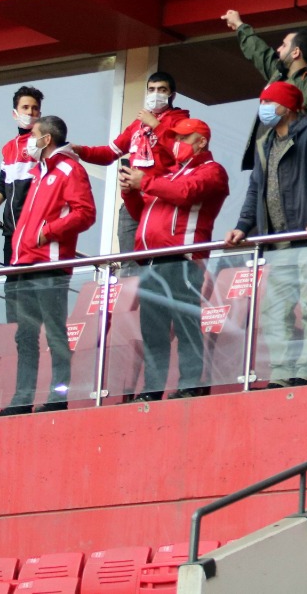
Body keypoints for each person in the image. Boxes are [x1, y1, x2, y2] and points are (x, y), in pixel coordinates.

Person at [227, 82, 307, 389]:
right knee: (274, 312)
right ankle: (281, 373)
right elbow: (255, 189)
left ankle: (306, 371)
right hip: (278, 243)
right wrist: (243, 225)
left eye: (268, 102)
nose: (263, 108)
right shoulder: (264, 142)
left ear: (287, 107)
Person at [0, 115, 96, 416]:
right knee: (25, 335)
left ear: (47, 139)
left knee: (54, 333)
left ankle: (58, 395)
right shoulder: (39, 171)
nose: (28, 141)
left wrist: (47, 232)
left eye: (33, 135)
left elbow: (85, 213)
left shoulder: (70, 169)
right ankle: (21, 399)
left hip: (49, 265)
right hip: (24, 264)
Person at [127, 117, 229, 402]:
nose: (177, 144)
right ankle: (152, 390)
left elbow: (186, 194)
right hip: (151, 261)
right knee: (153, 331)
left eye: (184, 138)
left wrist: (146, 181)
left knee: (186, 324)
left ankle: (190, 385)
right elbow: (141, 214)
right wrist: (129, 192)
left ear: (202, 142)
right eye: (176, 139)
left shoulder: (212, 171)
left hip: (182, 259)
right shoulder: (168, 174)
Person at [73, 72, 190, 247]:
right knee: (129, 260)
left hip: (161, 199)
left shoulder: (180, 121)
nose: (155, 94)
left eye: (162, 90)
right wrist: (80, 151)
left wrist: (155, 125)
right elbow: (109, 153)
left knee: (157, 256)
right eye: (151, 90)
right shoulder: (137, 124)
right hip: (133, 199)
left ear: (172, 95)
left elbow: (183, 152)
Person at [222, 11, 307, 170]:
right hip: (270, 166)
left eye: (284, 45)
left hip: (297, 168)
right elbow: (260, 53)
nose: (278, 49)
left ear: (296, 52)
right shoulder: (280, 74)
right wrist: (240, 26)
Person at [0, 86, 44, 265]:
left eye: (35, 108)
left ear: (40, 114)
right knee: (11, 279)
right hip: (11, 229)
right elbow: (2, 185)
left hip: (36, 228)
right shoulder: (8, 148)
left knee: (31, 278)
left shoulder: (43, 144)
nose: (30, 112)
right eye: (25, 107)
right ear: (15, 113)